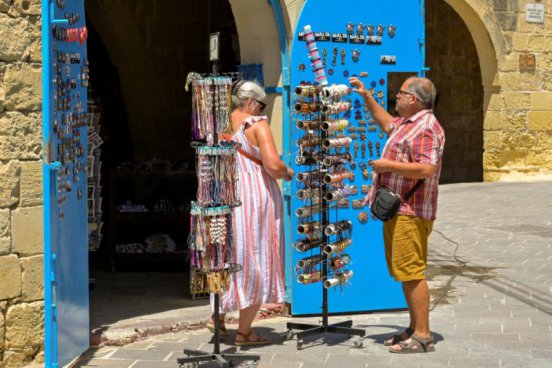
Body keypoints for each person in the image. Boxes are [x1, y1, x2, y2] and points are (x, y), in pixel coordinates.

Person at [349, 76, 445, 353]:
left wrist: (386, 166)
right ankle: (414, 328)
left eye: (400, 93)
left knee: (412, 271)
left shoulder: (426, 127)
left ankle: (423, 335)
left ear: (414, 99)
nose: (396, 97)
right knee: (404, 271)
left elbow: (427, 169)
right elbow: (386, 122)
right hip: (399, 209)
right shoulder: (406, 124)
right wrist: (366, 96)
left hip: (411, 210)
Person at [207, 80, 294, 346]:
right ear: (251, 102)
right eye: (261, 104)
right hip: (254, 199)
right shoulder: (257, 125)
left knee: (227, 255)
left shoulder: (222, 126)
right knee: (256, 257)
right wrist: (288, 172)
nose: (261, 109)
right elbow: (273, 165)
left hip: (226, 195)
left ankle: (218, 317)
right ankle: (244, 333)